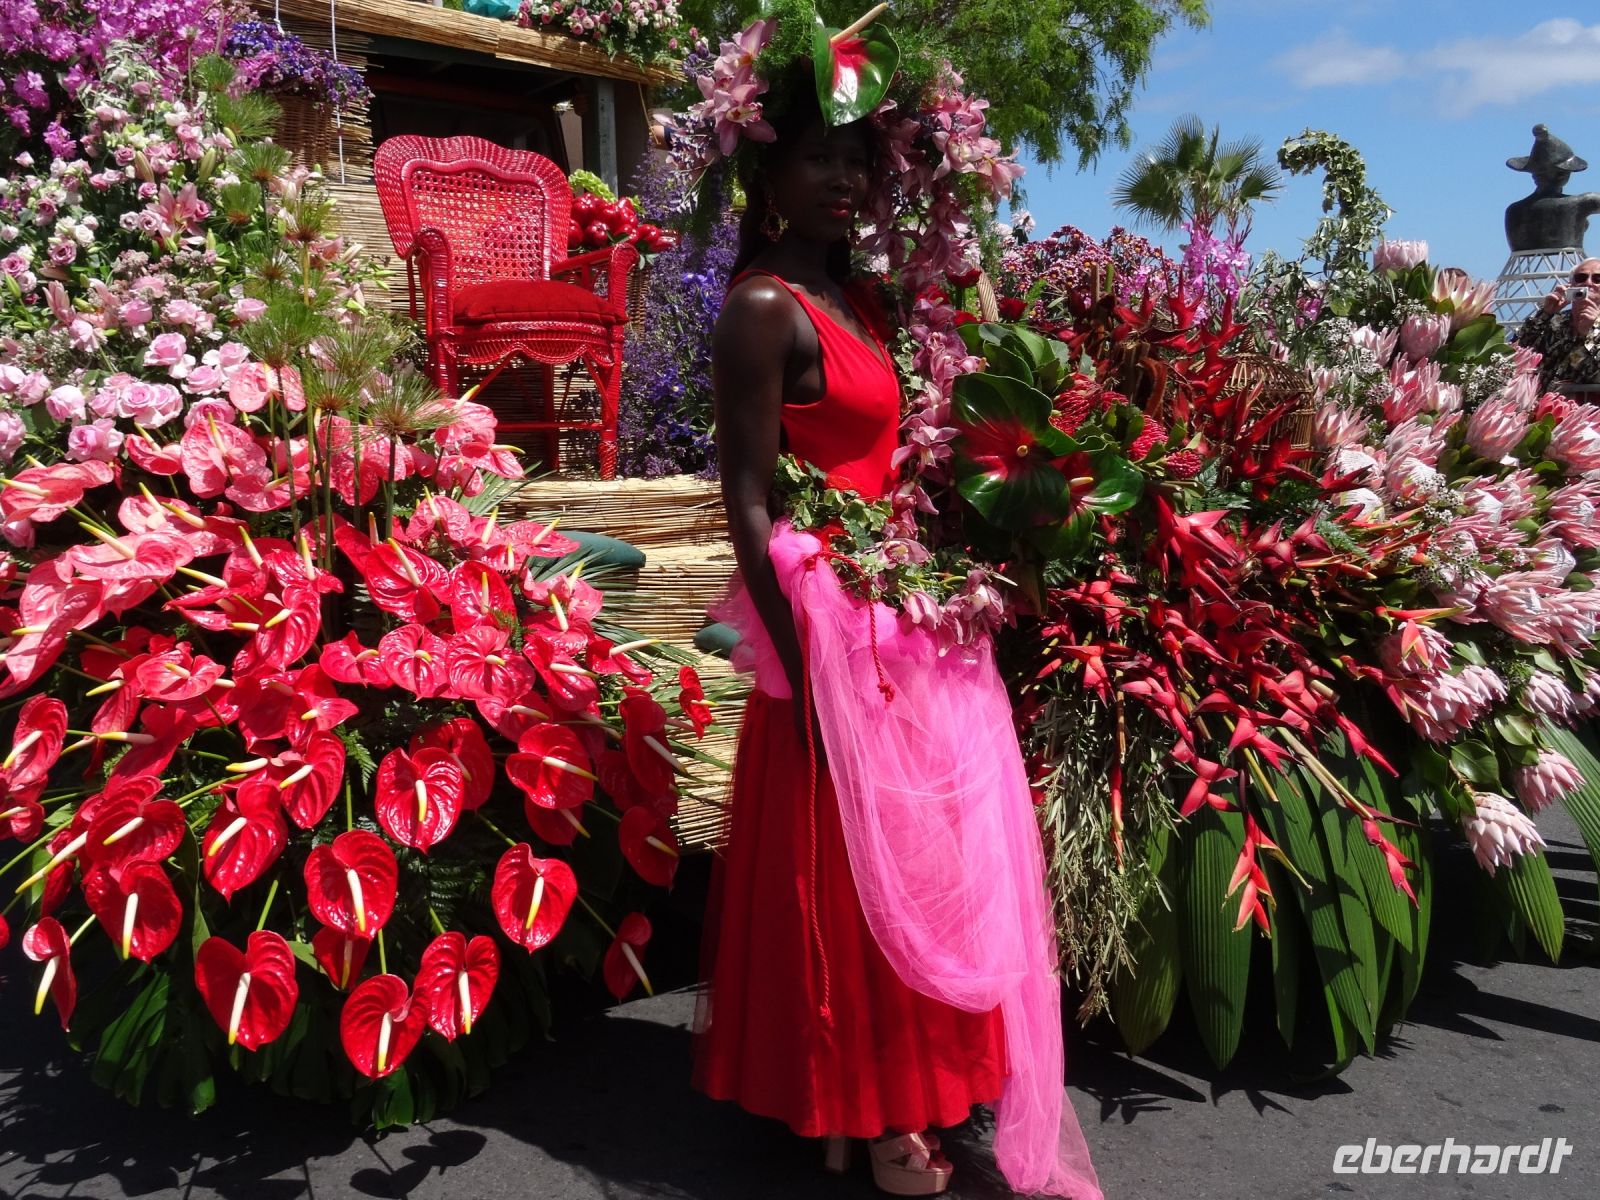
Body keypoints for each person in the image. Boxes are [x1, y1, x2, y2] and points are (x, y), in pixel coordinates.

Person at [688, 62, 1102, 1200]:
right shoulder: (763, 307)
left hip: (912, 618)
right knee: (851, 879)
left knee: (925, 867)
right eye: (819, 153)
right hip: (829, 637)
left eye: (860, 159)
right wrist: (801, 670)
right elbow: (748, 501)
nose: (844, 178)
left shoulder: (868, 300)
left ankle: (920, 1082)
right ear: (766, 169)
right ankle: (871, 1111)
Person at [1515, 257, 1600, 395]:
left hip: (1583, 411)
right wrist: (1545, 313)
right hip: (1540, 406)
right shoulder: (1556, 321)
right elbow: (1520, 347)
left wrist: (1586, 335)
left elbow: (1593, 375)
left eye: (1597, 279)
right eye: (1581, 277)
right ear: (1570, 284)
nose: (1588, 283)